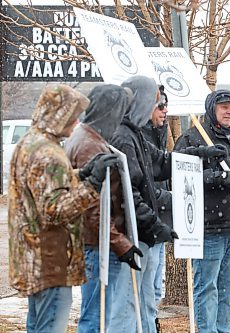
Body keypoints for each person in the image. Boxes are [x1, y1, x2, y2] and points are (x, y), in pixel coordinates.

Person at [108, 76, 226, 333]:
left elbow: (162, 162)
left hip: (144, 234)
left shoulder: (136, 134)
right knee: (128, 306)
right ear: (141, 102)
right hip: (132, 236)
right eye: (157, 102)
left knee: (147, 302)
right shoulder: (123, 137)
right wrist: (153, 223)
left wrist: (199, 155)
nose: (161, 107)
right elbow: (131, 193)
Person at [8, 84, 119, 332]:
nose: (76, 121)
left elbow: (44, 185)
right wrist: (92, 183)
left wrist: (79, 174)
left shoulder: (30, 142)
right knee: (49, 327)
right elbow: (55, 209)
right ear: (59, 114)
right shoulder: (49, 153)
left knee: (37, 325)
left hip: (34, 256)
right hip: (52, 259)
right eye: (72, 114)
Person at [174, 89, 230, 332]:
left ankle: (223, 328)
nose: (229, 111)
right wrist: (217, 177)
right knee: (207, 286)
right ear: (211, 110)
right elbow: (177, 178)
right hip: (208, 227)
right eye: (223, 107)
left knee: (228, 285)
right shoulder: (193, 138)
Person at [63, 84, 143, 333]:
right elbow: (94, 208)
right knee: (96, 316)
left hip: (99, 242)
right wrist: (122, 245)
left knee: (98, 314)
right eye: (120, 110)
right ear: (109, 110)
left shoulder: (90, 137)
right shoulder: (90, 144)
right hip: (98, 244)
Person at [141, 85, 170, 331]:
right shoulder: (137, 135)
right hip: (146, 220)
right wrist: (164, 196)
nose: (165, 111)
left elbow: (164, 166)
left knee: (157, 285)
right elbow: (145, 179)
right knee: (147, 286)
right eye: (160, 106)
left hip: (160, 218)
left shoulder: (161, 131)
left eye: (166, 105)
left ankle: (152, 321)